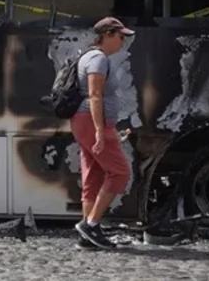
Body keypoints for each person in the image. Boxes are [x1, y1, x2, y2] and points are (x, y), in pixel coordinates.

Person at [72, 16, 135, 250]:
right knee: (120, 172)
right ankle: (91, 225)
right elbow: (95, 95)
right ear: (107, 35)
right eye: (120, 37)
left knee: (94, 176)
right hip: (91, 121)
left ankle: (85, 234)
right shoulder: (98, 59)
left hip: (85, 122)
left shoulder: (89, 56)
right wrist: (100, 131)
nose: (122, 42)